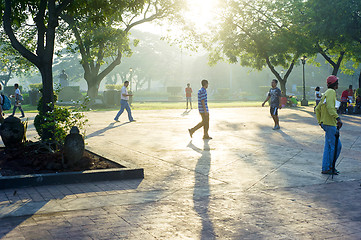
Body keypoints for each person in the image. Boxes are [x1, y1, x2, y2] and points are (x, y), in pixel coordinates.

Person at [315, 75, 342, 175]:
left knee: (328, 146)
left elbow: (317, 109)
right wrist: (338, 118)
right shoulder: (331, 92)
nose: (338, 84)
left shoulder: (325, 93)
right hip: (330, 124)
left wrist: (320, 122)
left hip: (326, 123)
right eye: (337, 83)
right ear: (335, 84)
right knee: (336, 146)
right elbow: (331, 108)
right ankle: (330, 166)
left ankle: (326, 167)